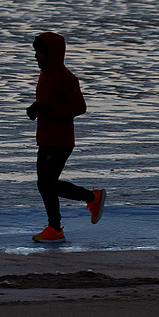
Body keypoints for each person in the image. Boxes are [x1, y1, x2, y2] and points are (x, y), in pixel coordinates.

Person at [26, 30, 105, 243]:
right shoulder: (45, 75)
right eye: (35, 52)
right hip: (46, 139)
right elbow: (48, 105)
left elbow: (80, 107)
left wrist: (49, 111)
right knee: (45, 184)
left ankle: (88, 200)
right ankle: (56, 226)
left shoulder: (66, 77)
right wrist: (36, 110)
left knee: (47, 183)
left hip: (60, 141)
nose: (36, 56)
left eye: (39, 52)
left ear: (51, 54)